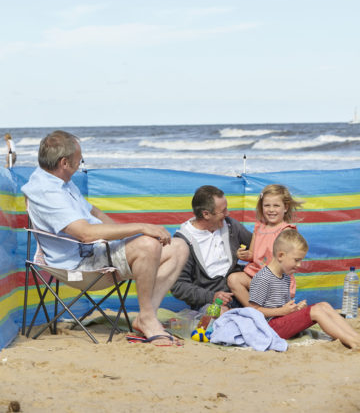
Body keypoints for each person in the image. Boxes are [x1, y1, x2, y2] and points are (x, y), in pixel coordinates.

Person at [21, 130, 189, 346]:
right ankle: (147, 318)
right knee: (148, 244)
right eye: (78, 160)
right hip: (80, 268)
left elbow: (95, 213)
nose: (80, 164)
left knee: (178, 247)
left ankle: (146, 316)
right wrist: (142, 228)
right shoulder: (46, 192)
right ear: (64, 162)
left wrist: (124, 242)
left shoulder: (61, 181)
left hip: (98, 253)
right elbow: (85, 233)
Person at [249, 227, 360, 349]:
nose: (299, 265)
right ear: (281, 255)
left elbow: (283, 307)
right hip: (270, 328)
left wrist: (295, 309)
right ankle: (351, 342)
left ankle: (355, 336)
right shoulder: (263, 277)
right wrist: (282, 311)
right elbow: (254, 311)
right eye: (296, 260)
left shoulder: (285, 276)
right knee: (316, 311)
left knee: (324, 305)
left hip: (281, 322)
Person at [170, 185, 252, 311]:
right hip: (212, 302)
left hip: (242, 292)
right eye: (223, 211)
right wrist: (211, 296)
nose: (227, 213)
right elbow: (178, 286)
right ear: (206, 214)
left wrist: (250, 254)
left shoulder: (230, 225)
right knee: (220, 315)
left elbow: (259, 247)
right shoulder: (183, 242)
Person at [227, 184, 302, 307]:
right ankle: (254, 310)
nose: (271, 210)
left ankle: (269, 310)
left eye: (276, 205)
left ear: (286, 207)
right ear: (261, 207)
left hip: (276, 281)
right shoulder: (259, 227)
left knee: (264, 286)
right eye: (267, 205)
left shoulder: (286, 231)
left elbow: (288, 263)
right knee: (233, 279)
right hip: (257, 276)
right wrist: (244, 255)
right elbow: (252, 254)